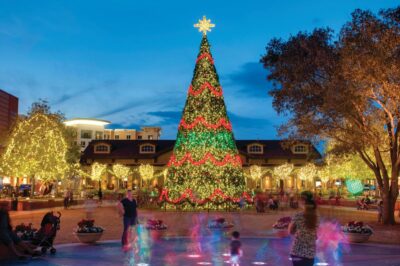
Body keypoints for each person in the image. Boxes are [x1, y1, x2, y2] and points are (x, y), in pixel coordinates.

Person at [288, 191, 319, 266]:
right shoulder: (317, 217)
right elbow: (315, 235)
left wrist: (297, 231)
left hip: (297, 252)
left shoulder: (298, 216)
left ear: (303, 201)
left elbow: (290, 231)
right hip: (310, 253)